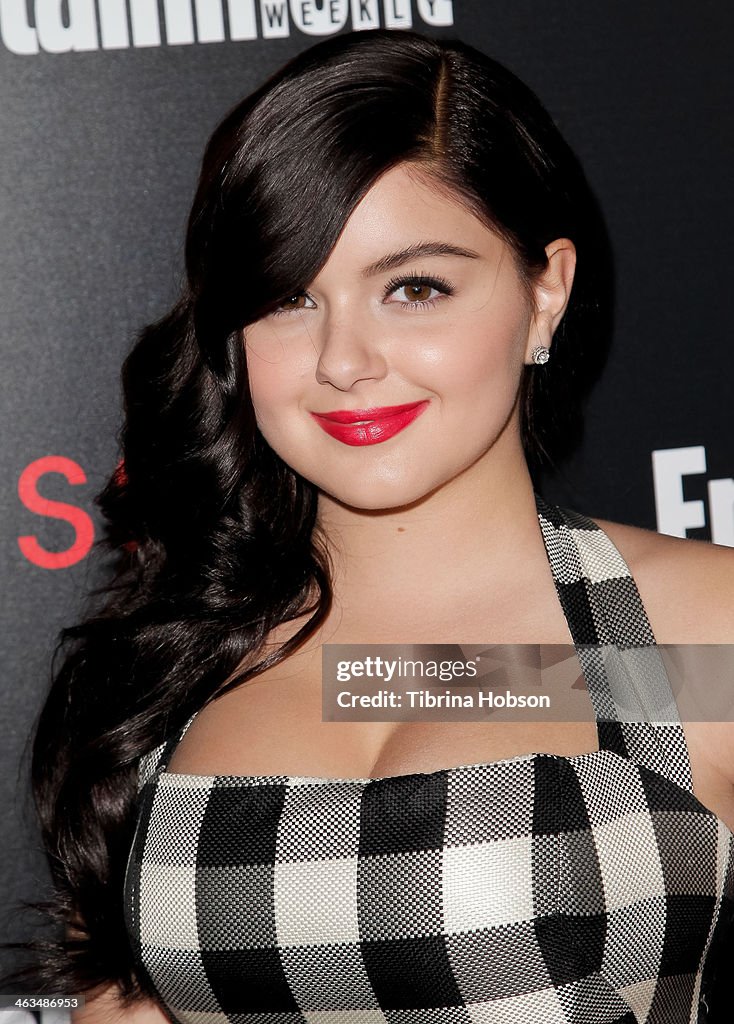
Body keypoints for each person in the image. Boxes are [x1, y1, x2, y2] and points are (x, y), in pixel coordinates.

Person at [25, 28, 734, 1024]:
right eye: (287, 297)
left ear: (545, 292)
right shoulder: (180, 658)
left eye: (415, 288)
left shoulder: (698, 640)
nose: (344, 358)